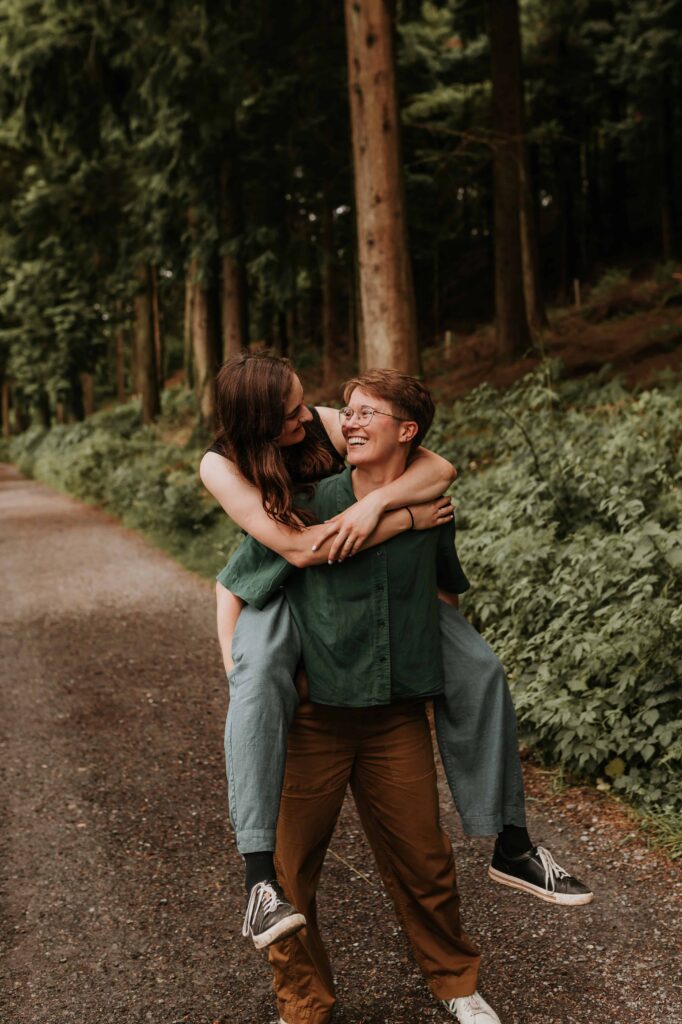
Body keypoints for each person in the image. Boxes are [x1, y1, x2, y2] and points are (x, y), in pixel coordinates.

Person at [199, 353, 592, 949]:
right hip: (283, 579)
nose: (311, 414)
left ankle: (512, 845)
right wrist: (404, 521)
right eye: (291, 411)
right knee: (256, 684)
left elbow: (438, 467)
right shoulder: (221, 465)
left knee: (481, 669)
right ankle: (258, 884)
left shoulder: (329, 424)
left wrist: (376, 504)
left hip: (372, 581)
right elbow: (296, 553)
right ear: (258, 418)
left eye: (308, 402)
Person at [220, 369, 500, 1023]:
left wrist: (432, 672)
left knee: (425, 861)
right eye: (344, 412)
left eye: (365, 413)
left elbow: (440, 598)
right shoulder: (303, 500)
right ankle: (303, 1004)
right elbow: (233, 583)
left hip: (392, 715)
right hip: (311, 718)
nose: (346, 421)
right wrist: (245, 678)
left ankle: (456, 983)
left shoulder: (432, 507)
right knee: (288, 875)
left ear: (403, 434)